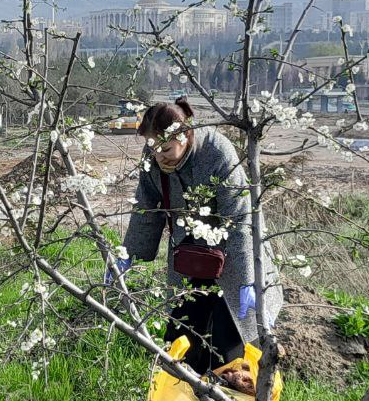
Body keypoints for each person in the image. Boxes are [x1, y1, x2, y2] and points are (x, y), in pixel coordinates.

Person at [113, 98, 282, 373]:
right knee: (180, 337)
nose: (158, 156)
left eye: (165, 148)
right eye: (152, 147)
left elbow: (239, 222)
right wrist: (128, 254)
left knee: (230, 345)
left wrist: (247, 279)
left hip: (233, 254)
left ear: (185, 135)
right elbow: (147, 205)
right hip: (189, 255)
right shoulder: (154, 151)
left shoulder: (217, 153)